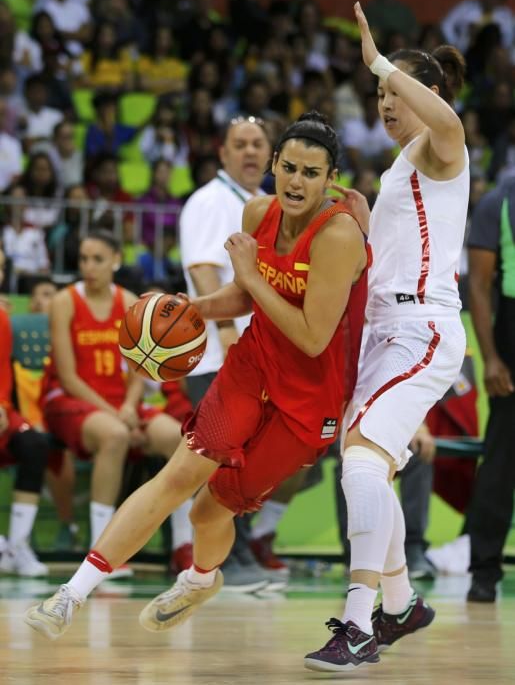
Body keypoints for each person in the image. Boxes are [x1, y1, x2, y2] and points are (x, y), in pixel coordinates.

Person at [24, 110, 370, 640]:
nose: (296, 182)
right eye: (290, 167)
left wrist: (252, 277)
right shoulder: (258, 212)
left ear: (330, 180)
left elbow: (311, 336)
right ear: (275, 165)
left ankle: (200, 578)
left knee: (212, 511)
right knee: (178, 478)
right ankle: (71, 594)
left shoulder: (339, 234)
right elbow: (241, 295)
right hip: (251, 367)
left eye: (311, 172)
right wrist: (193, 308)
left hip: (309, 399)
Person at [304, 2, 468, 672]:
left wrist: (377, 58)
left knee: (364, 460)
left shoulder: (441, 145)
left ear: (423, 95)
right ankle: (398, 604)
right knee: (365, 459)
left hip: (420, 326)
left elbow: (451, 121)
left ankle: (358, 623)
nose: (383, 102)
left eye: (393, 90)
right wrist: (362, 218)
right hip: (385, 330)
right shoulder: (402, 166)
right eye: (376, 93)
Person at [36, 230, 184, 574]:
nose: (89, 267)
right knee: (115, 435)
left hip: (121, 404)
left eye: (97, 259)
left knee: (180, 440)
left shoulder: (130, 301)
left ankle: (182, 546)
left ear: (116, 261)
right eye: (83, 260)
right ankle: (101, 552)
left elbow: (139, 368)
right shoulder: (64, 301)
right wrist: (118, 416)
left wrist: (130, 407)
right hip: (69, 401)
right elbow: (69, 377)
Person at [178, 114, 276, 590]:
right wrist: (225, 335)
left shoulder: (259, 204)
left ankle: (244, 546)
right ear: (222, 153)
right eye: (240, 144)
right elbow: (203, 270)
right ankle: (226, 562)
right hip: (220, 356)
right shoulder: (211, 201)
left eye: (258, 143)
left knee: (257, 459)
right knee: (223, 460)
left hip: (255, 357)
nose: (250, 152)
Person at [463, 175, 515, 602]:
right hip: (511, 337)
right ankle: (484, 572)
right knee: (500, 462)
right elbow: (478, 287)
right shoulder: (498, 201)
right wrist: (492, 357)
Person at [0, 247, 54, 577]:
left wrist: (3, 407)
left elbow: (3, 376)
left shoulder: (2, 318)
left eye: (2, 267)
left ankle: (16, 547)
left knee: (34, 444)